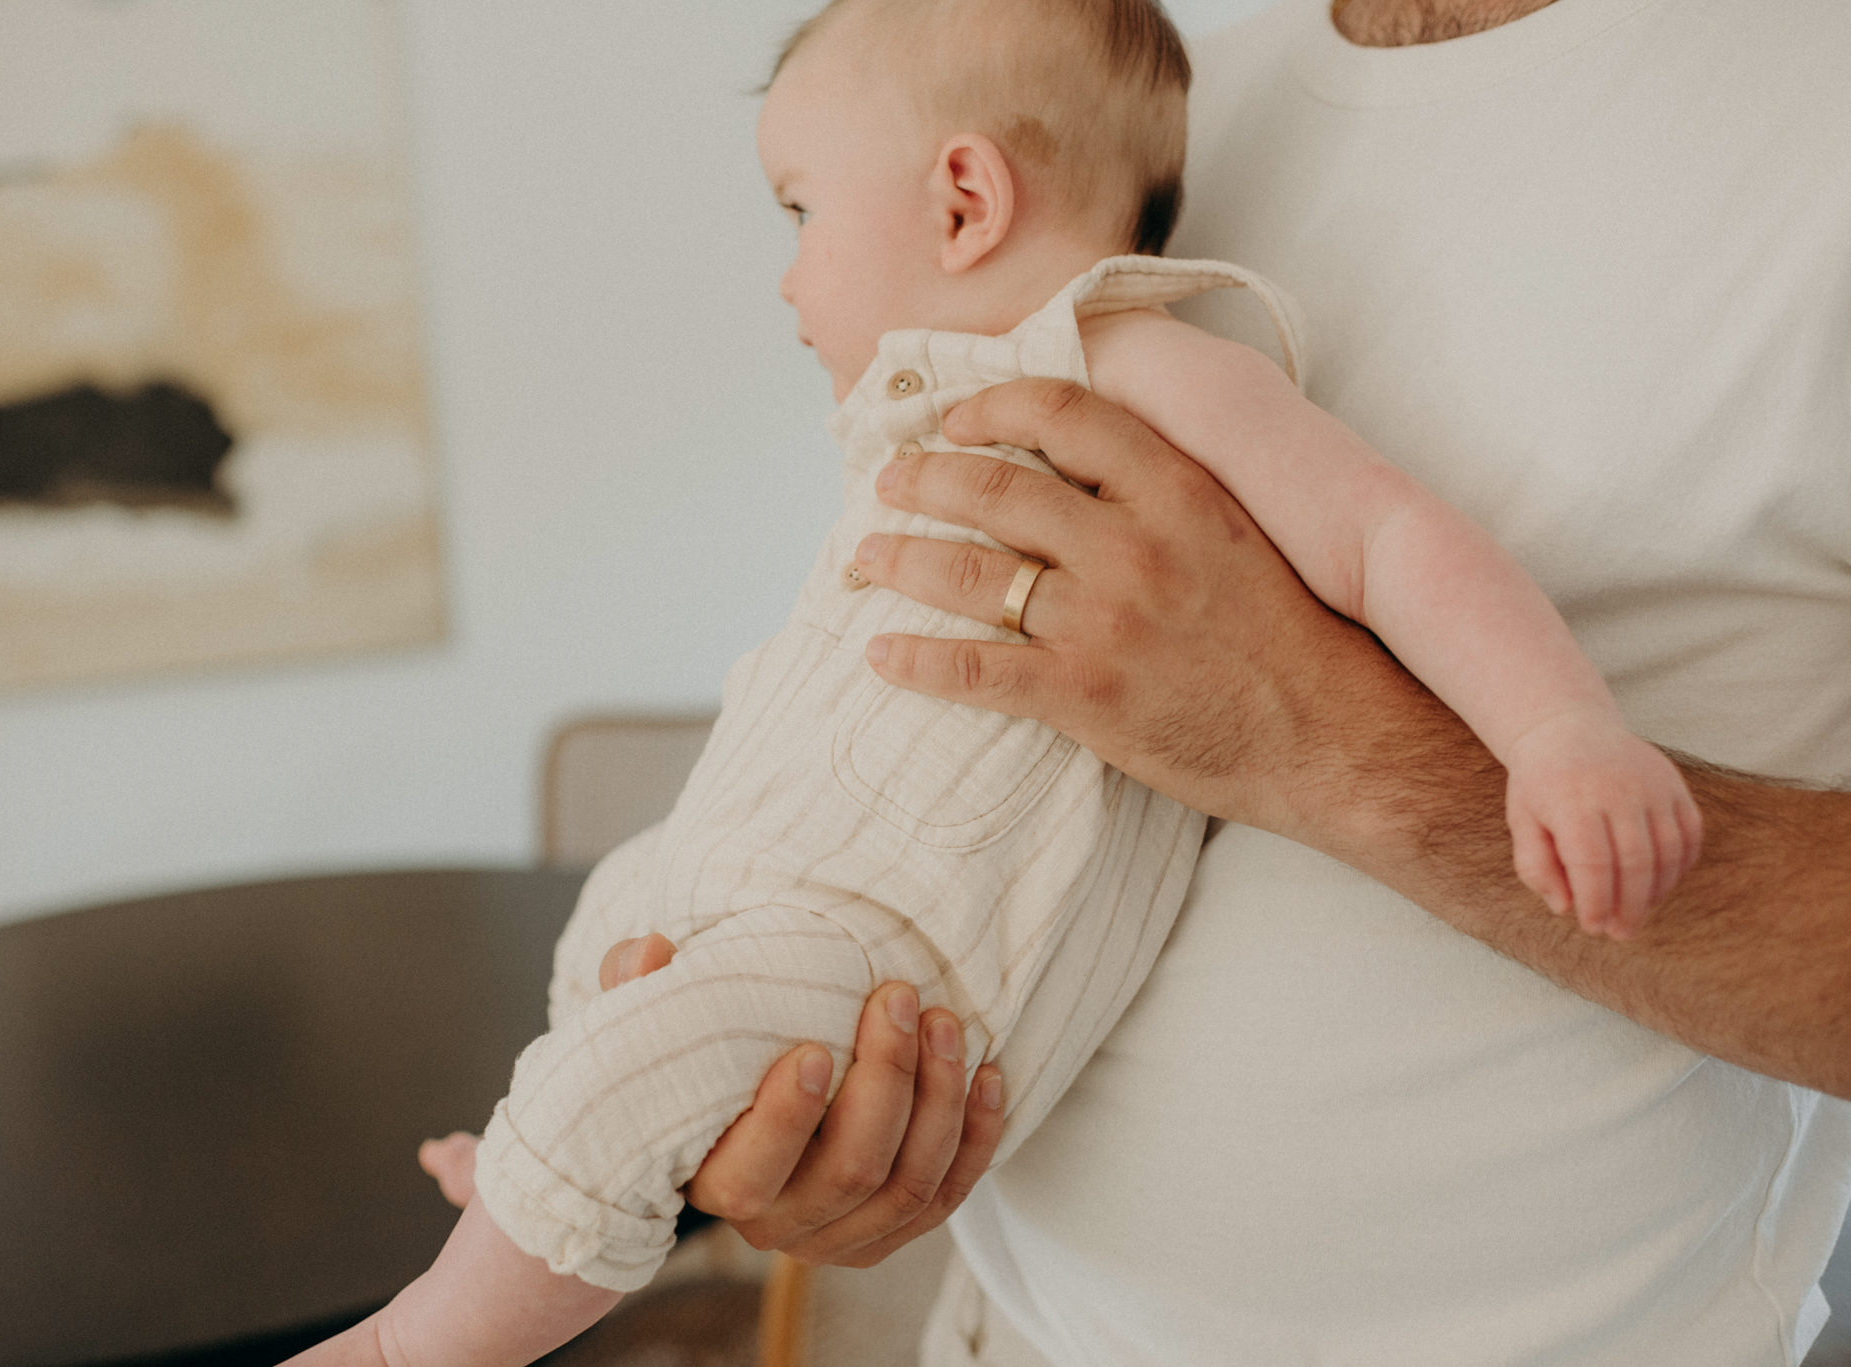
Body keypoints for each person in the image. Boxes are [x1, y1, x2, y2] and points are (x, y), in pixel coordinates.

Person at [633, 0, 1851, 1363]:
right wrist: (844, 1106)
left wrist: (1318, 730)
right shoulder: (1170, 101)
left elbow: (1359, 553)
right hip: (1009, 1331)